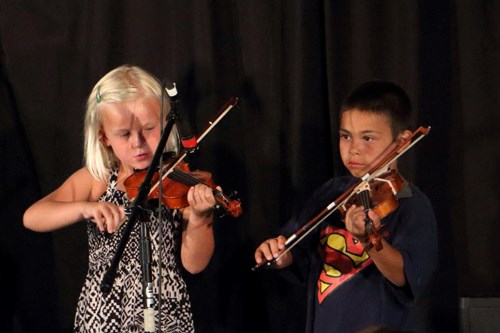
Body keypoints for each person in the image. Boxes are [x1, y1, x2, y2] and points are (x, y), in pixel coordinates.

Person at [23, 65, 216, 332]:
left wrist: (200, 217)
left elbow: (195, 265)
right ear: (104, 137)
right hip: (102, 312)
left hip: (165, 311)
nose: (138, 143)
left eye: (149, 129)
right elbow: (32, 217)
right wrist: (85, 208)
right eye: (124, 134)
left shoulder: (177, 179)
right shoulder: (97, 178)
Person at [254, 81, 438, 333]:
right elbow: (299, 254)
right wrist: (282, 256)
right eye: (345, 136)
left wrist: (368, 238)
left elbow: (406, 276)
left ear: (402, 141)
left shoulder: (413, 205)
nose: (353, 149)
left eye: (368, 138)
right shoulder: (332, 192)